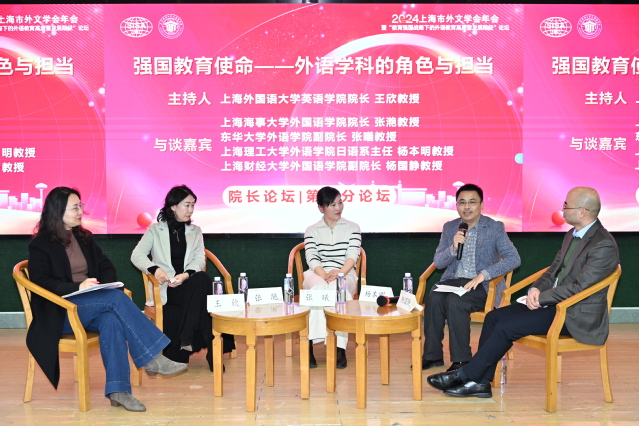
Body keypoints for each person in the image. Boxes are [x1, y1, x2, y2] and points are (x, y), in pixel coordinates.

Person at [427, 187, 619, 398]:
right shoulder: (572, 235)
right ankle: (480, 382)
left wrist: (542, 298)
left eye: (566, 206)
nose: (562, 210)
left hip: (574, 314)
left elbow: (579, 288)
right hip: (554, 304)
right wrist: (536, 289)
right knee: (493, 318)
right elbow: (552, 270)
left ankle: (466, 375)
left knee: (506, 327)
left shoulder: (602, 244)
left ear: (582, 212)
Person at [27, 187, 186, 412]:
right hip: (60, 312)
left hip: (91, 306)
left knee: (111, 319)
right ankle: (152, 357)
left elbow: (106, 266)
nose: (81, 211)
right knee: (114, 300)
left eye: (81, 206)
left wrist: (103, 286)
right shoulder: (40, 244)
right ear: (58, 210)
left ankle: (118, 391)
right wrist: (77, 287)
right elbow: (41, 282)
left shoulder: (83, 238)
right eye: (75, 208)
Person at [131, 185, 234, 371]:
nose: (191, 210)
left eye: (193, 205)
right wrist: (155, 270)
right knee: (204, 290)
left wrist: (186, 275)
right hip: (167, 287)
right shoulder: (155, 230)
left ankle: (187, 335)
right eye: (187, 205)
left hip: (187, 283)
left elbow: (199, 258)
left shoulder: (195, 231)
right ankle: (212, 349)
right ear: (173, 206)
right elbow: (137, 255)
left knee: (202, 279)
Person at [421, 183, 521, 372]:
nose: (467, 207)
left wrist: (485, 274)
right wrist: (453, 248)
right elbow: (439, 262)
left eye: (472, 202)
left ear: (481, 205)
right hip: (453, 282)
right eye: (462, 202)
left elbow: (514, 259)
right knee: (433, 299)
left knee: (455, 302)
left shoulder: (494, 227)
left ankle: (462, 360)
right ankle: (432, 356)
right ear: (456, 205)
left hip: (482, 285)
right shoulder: (450, 227)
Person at [303, 186, 361, 369]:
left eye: (340, 202)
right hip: (317, 273)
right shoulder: (311, 230)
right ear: (321, 208)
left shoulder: (353, 227)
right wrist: (324, 275)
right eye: (332, 204)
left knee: (339, 289)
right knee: (319, 288)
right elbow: (311, 257)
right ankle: (310, 343)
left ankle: (339, 348)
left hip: (345, 272)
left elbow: (353, 255)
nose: (339, 208)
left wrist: (340, 273)